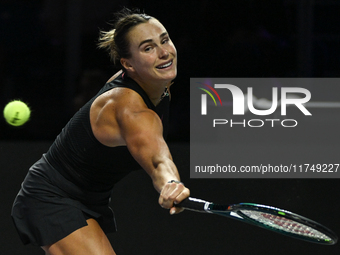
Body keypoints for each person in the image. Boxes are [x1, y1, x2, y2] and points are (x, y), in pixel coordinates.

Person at [11, 8, 190, 255]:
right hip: (50, 197)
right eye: (148, 48)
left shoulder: (156, 82)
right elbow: (159, 160)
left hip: (87, 198)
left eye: (164, 39)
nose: (164, 52)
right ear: (128, 65)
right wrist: (171, 183)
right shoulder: (130, 109)